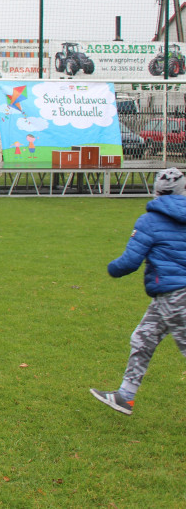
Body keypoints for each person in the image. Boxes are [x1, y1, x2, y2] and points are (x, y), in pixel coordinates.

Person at [91, 167, 186, 415]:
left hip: (176, 295)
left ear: (156, 190)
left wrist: (112, 269)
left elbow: (130, 262)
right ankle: (125, 396)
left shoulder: (149, 221)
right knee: (143, 338)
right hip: (165, 296)